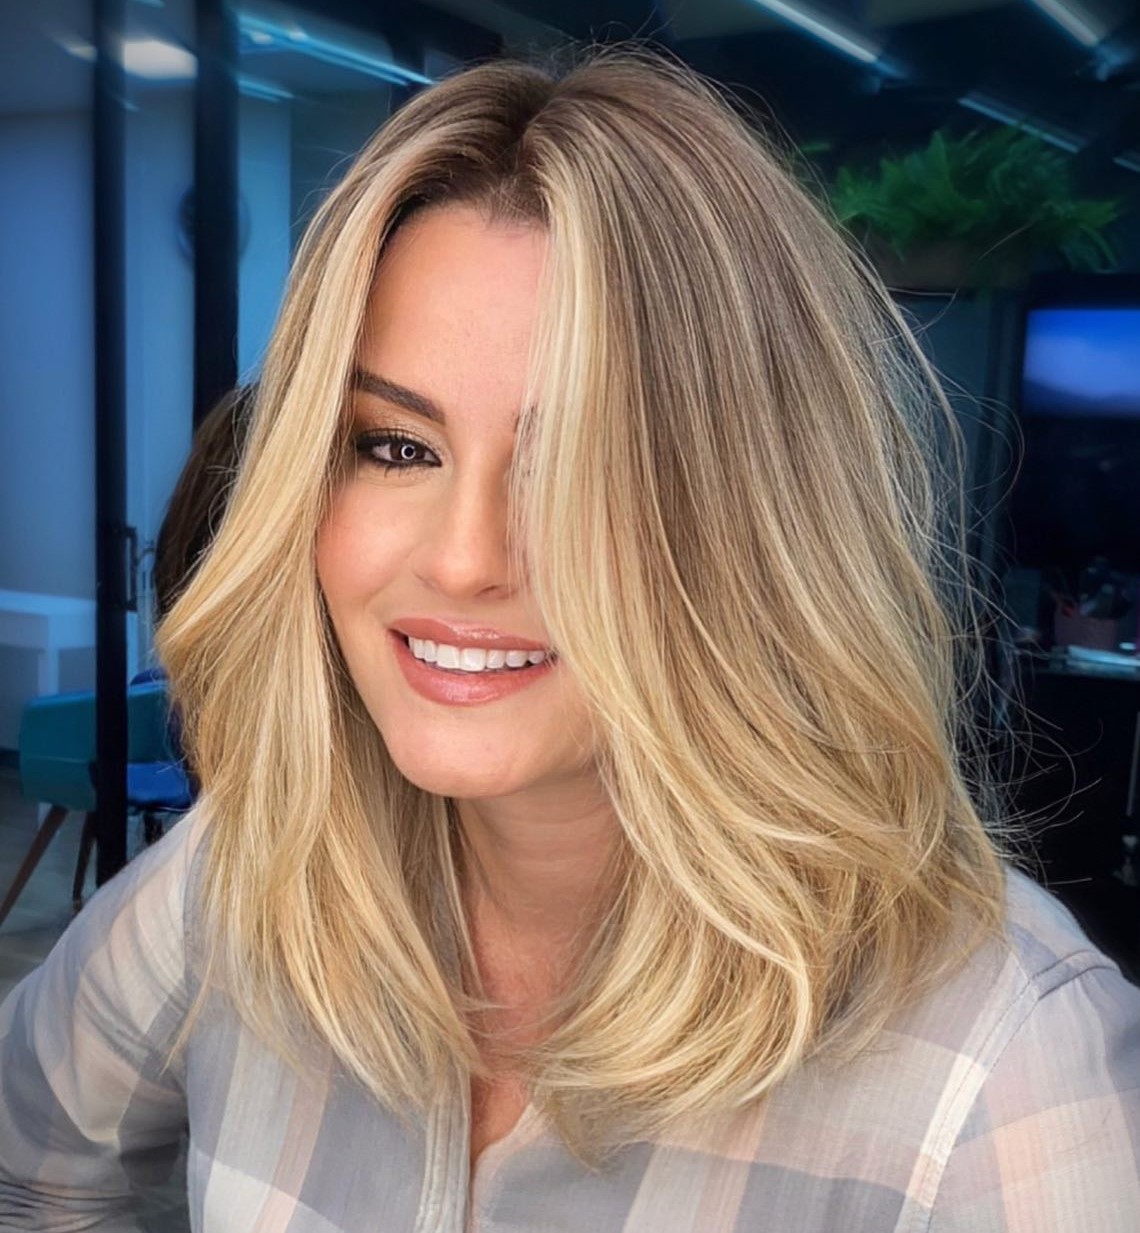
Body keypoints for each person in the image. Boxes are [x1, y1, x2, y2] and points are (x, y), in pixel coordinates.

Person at [1, 50, 1137, 1231]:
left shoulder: (1010, 1083)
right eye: (396, 447)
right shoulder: (254, 871)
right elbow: (24, 1169)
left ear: (761, 523)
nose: (465, 559)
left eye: (585, 465)